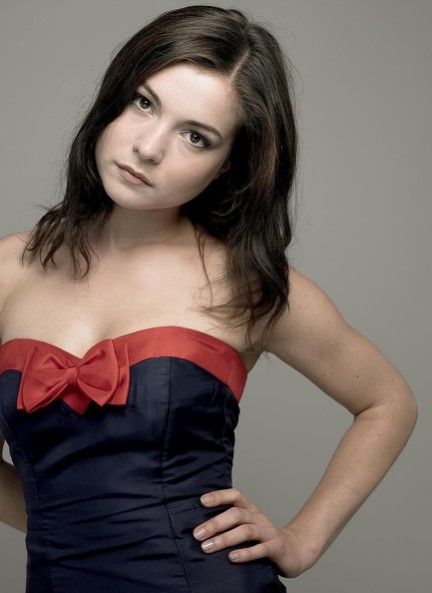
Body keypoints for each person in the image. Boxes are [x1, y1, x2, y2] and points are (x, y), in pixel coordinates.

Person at [0, 5, 417, 593]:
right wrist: (71, 525)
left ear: (226, 167)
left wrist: (301, 539)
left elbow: (388, 402)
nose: (149, 147)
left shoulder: (246, 282)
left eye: (195, 137)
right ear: (114, 99)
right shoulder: (9, 269)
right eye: (144, 103)